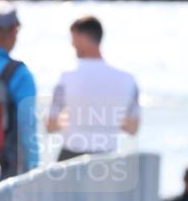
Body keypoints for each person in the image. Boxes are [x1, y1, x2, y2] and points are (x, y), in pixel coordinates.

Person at [47, 16, 140, 160]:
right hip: (107, 157)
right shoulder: (128, 79)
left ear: (83, 38)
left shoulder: (66, 77)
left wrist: (75, 118)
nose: (72, 44)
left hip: (70, 156)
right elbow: (133, 128)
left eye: (74, 38)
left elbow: (51, 125)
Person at [0, 1, 39, 179]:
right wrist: (32, 171)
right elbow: (28, 128)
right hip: (3, 172)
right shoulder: (20, 74)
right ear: (13, 30)